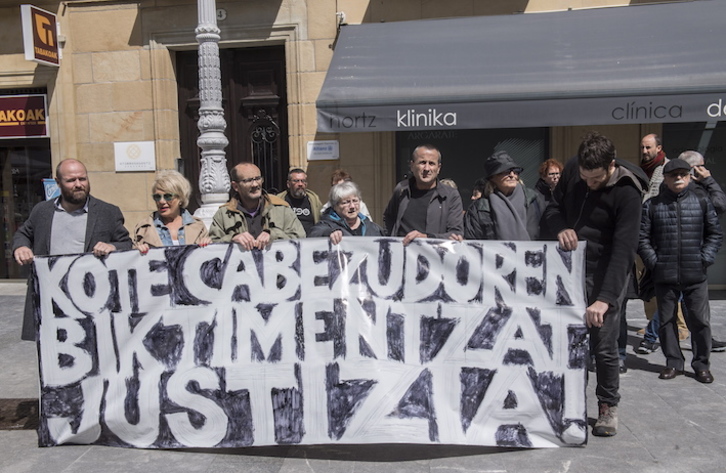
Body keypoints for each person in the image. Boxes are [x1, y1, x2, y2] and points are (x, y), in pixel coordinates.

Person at [542, 131, 648, 437]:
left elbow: (624, 249)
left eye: (596, 179)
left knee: (603, 348)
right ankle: (569, 406)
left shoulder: (628, 191)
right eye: (584, 178)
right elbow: (552, 209)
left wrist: (604, 298)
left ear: (611, 166)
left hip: (607, 274)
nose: (588, 184)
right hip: (570, 272)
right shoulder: (576, 168)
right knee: (567, 346)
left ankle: (607, 405)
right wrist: (560, 227)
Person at [12, 158, 132, 341]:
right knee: (52, 359)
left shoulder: (108, 212)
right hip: (50, 301)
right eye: (71, 180)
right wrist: (21, 247)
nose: (78, 185)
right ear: (58, 182)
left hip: (91, 302)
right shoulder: (42, 212)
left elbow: (126, 244)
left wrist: (112, 246)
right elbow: (23, 233)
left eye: (82, 179)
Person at [638, 159, 722, 383]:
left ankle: (701, 365)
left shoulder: (702, 201)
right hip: (664, 274)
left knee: (700, 321)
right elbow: (642, 238)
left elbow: (715, 234)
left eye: (683, 174)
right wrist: (654, 262)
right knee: (666, 321)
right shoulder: (652, 205)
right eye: (673, 174)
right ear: (665, 178)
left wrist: (705, 258)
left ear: (688, 176)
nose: (678, 178)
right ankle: (673, 362)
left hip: (695, 273)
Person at [678, 150, 726, 353]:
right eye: (703, 166)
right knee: (691, 305)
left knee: (683, 303)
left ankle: (703, 343)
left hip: (691, 256)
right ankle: (653, 337)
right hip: (691, 256)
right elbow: (720, 205)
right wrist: (710, 181)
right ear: (695, 168)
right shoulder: (696, 189)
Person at [210, 163, 305, 249]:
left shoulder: (281, 208)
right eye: (248, 180)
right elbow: (211, 246)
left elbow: (301, 238)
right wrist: (232, 238)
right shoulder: (224, 214)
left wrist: (273, 234)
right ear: (235, 186)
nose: (255, 184)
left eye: (257, 179)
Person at [383, 144, 463, 245]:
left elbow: (456, 234)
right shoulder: (401, 189)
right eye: (422, 162)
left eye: (431, 163)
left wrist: (426, 238)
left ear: (438, 168)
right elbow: (388, 217)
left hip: (435, 256)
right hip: (401, 256)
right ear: (412, 166)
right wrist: (391, 241)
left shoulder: (450, 195)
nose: (427, 168)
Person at [464, 151, 543, 241]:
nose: (512, 175)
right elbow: (472, 243)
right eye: (506, 171)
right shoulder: (480, 208)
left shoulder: (533, 200)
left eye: (515, 171)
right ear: (492, 177)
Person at [133, 170, 212, 253]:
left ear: (180, 198)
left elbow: (209, 258)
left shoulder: (198, 226)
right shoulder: (143, 229)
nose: (162, 201)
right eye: (157, 197)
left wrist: (208, 246)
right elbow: (134, 262)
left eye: (168, 196)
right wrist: (138, 252)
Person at [309, 181, 385, 244]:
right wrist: (329, 232)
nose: (352, 206)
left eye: (355, 201)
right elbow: (314, 234)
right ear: (335, 206)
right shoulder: (327, 225)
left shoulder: (372, 227)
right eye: (346, 202)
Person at [276, 168, 323, 235]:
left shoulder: (314, 200)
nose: (300, 184)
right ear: (288, 184)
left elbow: (323, 219)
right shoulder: (279, 200)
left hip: (311, 240)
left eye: (303, 181)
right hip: (288, 241)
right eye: (296, 181)